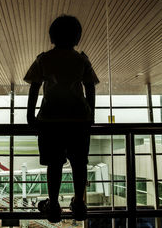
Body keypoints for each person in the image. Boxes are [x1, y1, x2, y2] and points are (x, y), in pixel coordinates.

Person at [24, 15, 99, 223]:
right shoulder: (81, 59)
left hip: (50, 119)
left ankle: (54, 204)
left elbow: (34, 86)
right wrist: (90, 113)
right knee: (79, 163)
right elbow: (90, 86)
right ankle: (79, 202)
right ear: (77, 38)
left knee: (54, 164)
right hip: (78, 119)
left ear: (52, 37)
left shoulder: (44, 59)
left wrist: (30, 115)